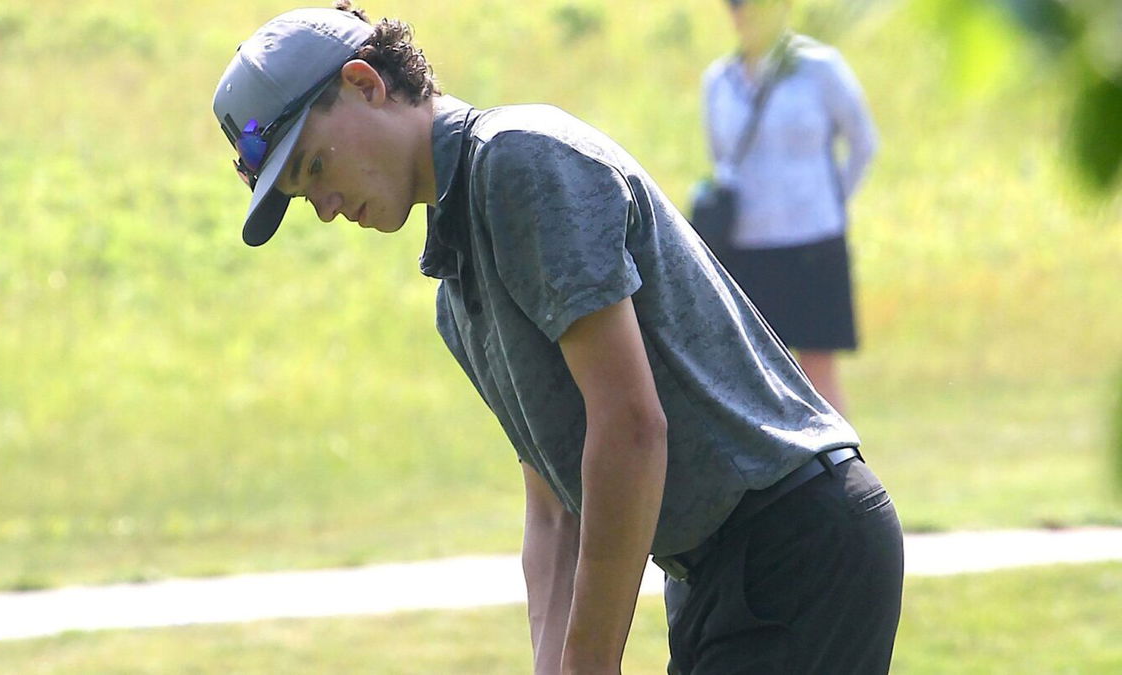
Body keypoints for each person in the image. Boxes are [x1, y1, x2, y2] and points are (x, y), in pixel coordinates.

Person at [211, 4, 902, 673]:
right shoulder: (457, 296)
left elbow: (631, 427)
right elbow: (554, 515)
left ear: (366, 84)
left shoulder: (519, 163)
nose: (325, 207)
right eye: (305, 197)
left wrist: (590, 660)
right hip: (714, 574)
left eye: (315, 166)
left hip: (795, 543)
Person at [700, 0, 878, 414]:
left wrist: (829, 203)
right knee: (756, 371)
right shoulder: (719, 81)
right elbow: (721, 160)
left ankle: (842, 475)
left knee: (818, 369)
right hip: (745, 246)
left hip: (812, 241)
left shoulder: (820, 68)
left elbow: (862, 144)